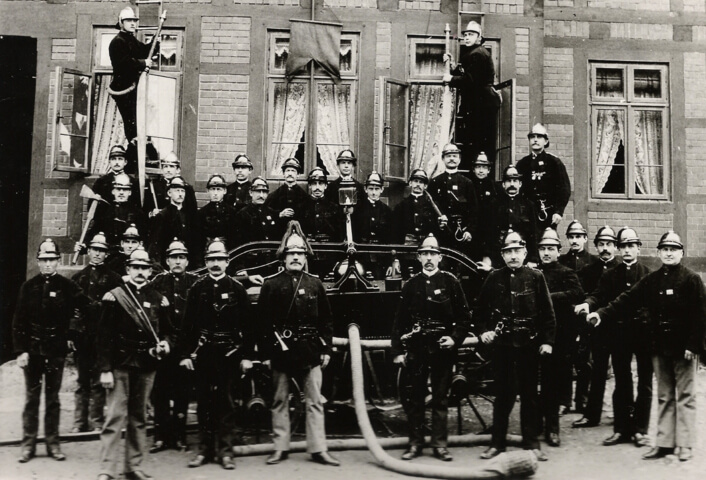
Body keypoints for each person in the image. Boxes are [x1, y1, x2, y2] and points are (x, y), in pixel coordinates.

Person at [588, 231, 706, 462]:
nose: (669, 253)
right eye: (665, 249)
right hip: (659, 348)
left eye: (674, 249)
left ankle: (685, 444)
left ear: (681, 252)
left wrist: (694, 346)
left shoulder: (692, 279)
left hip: (684, 349)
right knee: (664, 396)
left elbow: (701, 316)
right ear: (659, 252)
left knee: (685, 396)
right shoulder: (652, 280)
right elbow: (627, 298)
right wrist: (601, 313)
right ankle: (664, 442)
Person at [257, 221, 340, 467]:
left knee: (314, 401)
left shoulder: (315, 284)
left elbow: (326, 320)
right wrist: (265, 354)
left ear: (305, 257)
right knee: (280, 400)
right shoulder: (271, 284)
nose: (296, 257)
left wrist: (326, 349)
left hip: (310, 350)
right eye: (291, 253)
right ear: (283, 257)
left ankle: (318, 449)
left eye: (300, 253)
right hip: (281, 351)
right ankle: (280, 448)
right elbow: (261, 324)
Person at [391, 234, 472, 462]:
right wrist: (397, 351)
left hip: (441, 349)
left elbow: (465, 318)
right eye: (425, 254)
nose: (429, 258)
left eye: (433, 254)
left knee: (440, 398)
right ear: (418, 257)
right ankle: (415, 444)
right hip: (417, 349)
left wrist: (454, 339)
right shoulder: (411, 285)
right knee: (416, 398)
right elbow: (399, 321)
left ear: (440, 257)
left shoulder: (450, 282)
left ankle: (439, 445)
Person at [475, 230, 555, 461]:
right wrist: (483, 332)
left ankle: (531, 445)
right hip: (503, 346)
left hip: (529, 345)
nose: (513, 256)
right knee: (503, 395)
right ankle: (497, 444)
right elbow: (479, 313)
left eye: (517, 251)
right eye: (508, 252)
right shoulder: (493, 278)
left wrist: (548, 342)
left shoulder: (536, 277)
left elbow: (548, 314)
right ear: (502, 254)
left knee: (530, 395)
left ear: (525, 252)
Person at [97, 247, 173, 480]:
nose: (140, 272)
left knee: (139, 418)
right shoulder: (114, 296)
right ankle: (107, 469)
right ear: (128, 269)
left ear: (150, 271)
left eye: (144, 268)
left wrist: (167, 344)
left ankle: (133, 466)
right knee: (114, 418)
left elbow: (169, 332)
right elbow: (103, 336)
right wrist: (105, 369)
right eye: (136, 267)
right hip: (120, 364)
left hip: (146, 364)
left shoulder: (159, 298)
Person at [179, 239, 255, 469]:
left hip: (229, 354)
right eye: (211, 259)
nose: (215, 264)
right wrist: (184, 354)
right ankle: (204, 450)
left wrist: (246, 356)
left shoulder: (237, 289)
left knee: (226, 403)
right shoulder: (197, 288)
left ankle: (225, 452)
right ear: (205, 262)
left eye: (220, 259)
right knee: (204, 403)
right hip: (204, 354)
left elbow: (249, 327)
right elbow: (187, 326)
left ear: (227, 262)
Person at [574, 227, 653, 447]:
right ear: (619, 248)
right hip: (619, 335)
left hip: (643, 336)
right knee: (623, 381)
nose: (627, 250)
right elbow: (597, 296)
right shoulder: (611, 275)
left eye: (631, 246)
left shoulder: (648, 274)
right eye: (624, 246)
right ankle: (621, 429)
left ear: (638, 248)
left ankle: (640, 429)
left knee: (644, 383)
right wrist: (587, 305)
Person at [13, 239, 89, 463]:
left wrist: (72, 335)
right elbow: (18, 321)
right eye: (44, 260)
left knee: (53, 399)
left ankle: (53, 444)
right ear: (38, 262)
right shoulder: (28, 287)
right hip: (33, 351)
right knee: (31, 399)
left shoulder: (68, 287)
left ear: (57, 261)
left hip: (56, 350)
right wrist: (21, 351)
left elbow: (84, 308)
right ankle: (28, 444)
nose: (48, 264)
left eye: (51, 260)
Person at [148, 239, 199, 453]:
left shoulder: (196, 282)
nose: (177, 262)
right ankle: (160, 436)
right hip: (164, 345)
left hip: (186, 346)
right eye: (173, 258)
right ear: (167, 260)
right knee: (160, 392)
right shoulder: (157, 283)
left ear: (187, 261)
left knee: (182, 392)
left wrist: (193, 348)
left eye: (181, 258)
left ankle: (179, 436)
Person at [535, 228, 584, 447]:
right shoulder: (534, 273)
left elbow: (577, 294)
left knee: (552, 383)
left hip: (559, 335)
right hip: (537, 334)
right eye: (543, 249)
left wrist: (548, 298)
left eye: (551, 249)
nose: (547, 253)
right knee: (534, 383)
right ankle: (536, 425)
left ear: (558, 251)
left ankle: (552, 429)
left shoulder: (566, 272)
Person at [70, 233, 122, 433]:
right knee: (82, 380)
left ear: (106, 254)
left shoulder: (115, 279)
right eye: (94, 250)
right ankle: (79, 422)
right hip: (83, 336)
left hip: (104, 338)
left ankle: (97, 420)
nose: (97, 254)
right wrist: (71, 335)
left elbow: (120, 309)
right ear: (88, 251)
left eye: (101, 251)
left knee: (99, 380)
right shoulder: (78, 278)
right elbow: (71, 309)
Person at [572, 225, 622, 428]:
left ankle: (622, 412)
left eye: (609, 244)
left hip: (618, 328)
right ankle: (592, 415)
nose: (605, 248)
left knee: (621, 373)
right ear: (596, 246)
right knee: (596, 371)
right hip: (596, 328)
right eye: (601, 244)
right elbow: (585, 296)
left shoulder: (622, 269)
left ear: (615, 247)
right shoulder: (587, 271)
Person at [443, 21, 501, 171]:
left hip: (482, 104)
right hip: (476, 104)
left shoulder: (478, 54)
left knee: (479, 143)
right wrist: (452, 66)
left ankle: (481, 173)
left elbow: (470, 80)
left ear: (479, 37)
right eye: (465, 35)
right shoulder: (471, 54)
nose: (467, 37)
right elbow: (465, 74)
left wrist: (451, 79)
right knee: (474, 142)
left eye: (471, 34)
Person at [557, 219, 597, 413]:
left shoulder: (594, 262)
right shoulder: (561, 262)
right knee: (565, 359)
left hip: (585, 316)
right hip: (566, 317)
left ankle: (582, 400)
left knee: (584, 361)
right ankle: (565, 401)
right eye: (571, 237)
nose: (575, 240)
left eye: (578, 237)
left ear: (585, 238)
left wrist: (586, 305)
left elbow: (597, 290)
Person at [108, 7, 158, 160]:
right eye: (129, 21)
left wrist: (155, 42)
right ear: (121, 23)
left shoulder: (130, 40)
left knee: (138, 124)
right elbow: (124, 63)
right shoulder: (117, 42)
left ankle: (138, 155)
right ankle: (134, 155)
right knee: (133, 126)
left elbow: (142, 51)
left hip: (134, 89)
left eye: (134, 21)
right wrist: (143, 63)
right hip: (124, 89)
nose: (133, 24)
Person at [515, 124, 571, 232]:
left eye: (539, 137)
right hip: (527, 215)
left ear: (545, 141)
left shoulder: (554, 162)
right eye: (532, 137)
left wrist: (558, 212)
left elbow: (564, 189)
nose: (535, 140)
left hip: (547, 213)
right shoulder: (522, 164)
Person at [428, 143, 478, 250]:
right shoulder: (435, 182)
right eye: (448, 156)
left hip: (461, 232)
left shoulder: (467, 183)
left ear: (459, 159)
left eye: (454, 156)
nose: (451, 159)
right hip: (440, 233)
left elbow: (474, 210)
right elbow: (429, 209)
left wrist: (469, 231)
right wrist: (437, 223)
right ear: (443, 158)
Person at [82, 173, 146, 254]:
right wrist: (84, 244)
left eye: (125, 190)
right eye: (118, 189)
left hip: (130, 254)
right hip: (109, 253)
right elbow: (95, 230)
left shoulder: (137, 212)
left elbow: (143, 236)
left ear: (130, 192)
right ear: (113, 191)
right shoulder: (105, 211)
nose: (121, 193)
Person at [487, 165, 538, 267]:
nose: (512, 184)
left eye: (515, 181)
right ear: (503, 184)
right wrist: (487, 257)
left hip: (522, 255)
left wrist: (533, 259)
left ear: (520, 184)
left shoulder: (529, 205)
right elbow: (488, 233)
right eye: (509, 181)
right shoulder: (494, 204)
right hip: (499, 255)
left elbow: (534, 233)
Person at [148, 176, 202, 268]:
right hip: (168, 263)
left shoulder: (189, 216)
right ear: (169, 193)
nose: (180, 194)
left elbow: (196, 242)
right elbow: (156, 244)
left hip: (187, 263)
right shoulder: (162, 215)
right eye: (177, 191)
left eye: (182, 191)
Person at [393, 169, 444, 245]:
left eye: (421, 182)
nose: (418, 184)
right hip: (408, 246)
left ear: (425, 186)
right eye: (415, 181)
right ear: (410, 183)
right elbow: (396, 231)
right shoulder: (401, 206)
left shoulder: (433, 206)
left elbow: (438, 230)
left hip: (427, 245)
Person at [143, 152, 198, 217]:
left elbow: (193, 211)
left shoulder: (187, 188)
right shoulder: (154, 186)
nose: (168, 170)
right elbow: (146, 209)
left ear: (178, 170)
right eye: (165, 166)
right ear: (162, 169)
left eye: (171, 167)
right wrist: (152, 213)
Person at [233, 176, 283, 246]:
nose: (261, 195)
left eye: (264, 192)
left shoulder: (272, 213)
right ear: (251, 193)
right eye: (258, 191)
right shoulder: (242, 214)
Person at [298, 168, 344, 243]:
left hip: (329, 248)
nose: (317, 187)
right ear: (309, 186)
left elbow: (339, 234)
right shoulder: (301, 206)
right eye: (314, 183)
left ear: (326, 186)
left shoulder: (334, 207)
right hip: (308, 247)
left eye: (321, 183)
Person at [469, 152, 497, 264]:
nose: (481, 170)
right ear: (473, 169)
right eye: (478, 167)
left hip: (488, 234)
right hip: (472, 234)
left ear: (489, 170)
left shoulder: (494, 187)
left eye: (484, 167)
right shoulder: (468, 185)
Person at [351, 172, 393, 244]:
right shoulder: (357, 209)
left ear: (382, 189)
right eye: (371, 189)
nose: (373, 192)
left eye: (377, 189)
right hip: (362, 250)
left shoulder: (387, 211)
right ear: (365, 189)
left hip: (380, 251)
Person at [198, 174, 238, 249]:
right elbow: (199, 239)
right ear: (208, 191)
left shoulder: (232, 212)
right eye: (213, 189)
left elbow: (235, 237)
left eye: (219, 189)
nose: (215, 193)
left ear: (225, 191)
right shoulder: (201, 213)